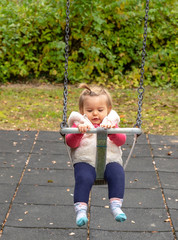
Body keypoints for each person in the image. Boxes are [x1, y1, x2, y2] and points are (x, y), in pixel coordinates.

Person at [65, 83, 127, 227]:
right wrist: (79, 132)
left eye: (100, 110)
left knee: (118, 174)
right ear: (82, 111)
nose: (95, 113)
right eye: (89, 110)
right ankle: (81, 210)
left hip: (109, 160)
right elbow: (71, 143)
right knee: (83, 178)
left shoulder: (111, 123)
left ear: (108, 110)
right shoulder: (79, 123)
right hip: (85, 160)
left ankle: (116, 207)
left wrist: (112, 132)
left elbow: (121, 140)